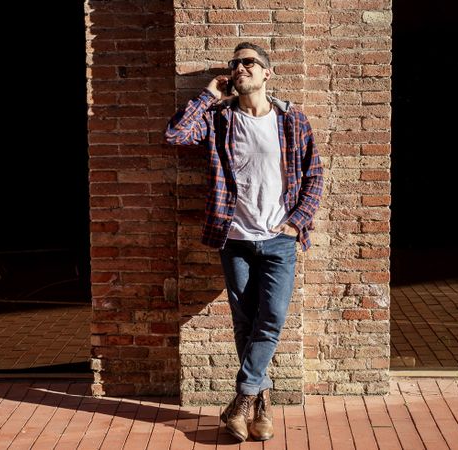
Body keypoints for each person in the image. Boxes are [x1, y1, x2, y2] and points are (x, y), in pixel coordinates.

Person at [165, 42, 323, 442]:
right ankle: (261, 406)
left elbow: (314, 176)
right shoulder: (220, 119)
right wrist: (208, 94)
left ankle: (241, 399)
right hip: (234, 238)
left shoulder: (291, 120)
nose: (240, 68)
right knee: (245, 323)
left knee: (270, 319)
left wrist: (297, 222)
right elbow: (176, 135)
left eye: (248, 62)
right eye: (235, 64)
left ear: (268, 73)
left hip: (279, 240)